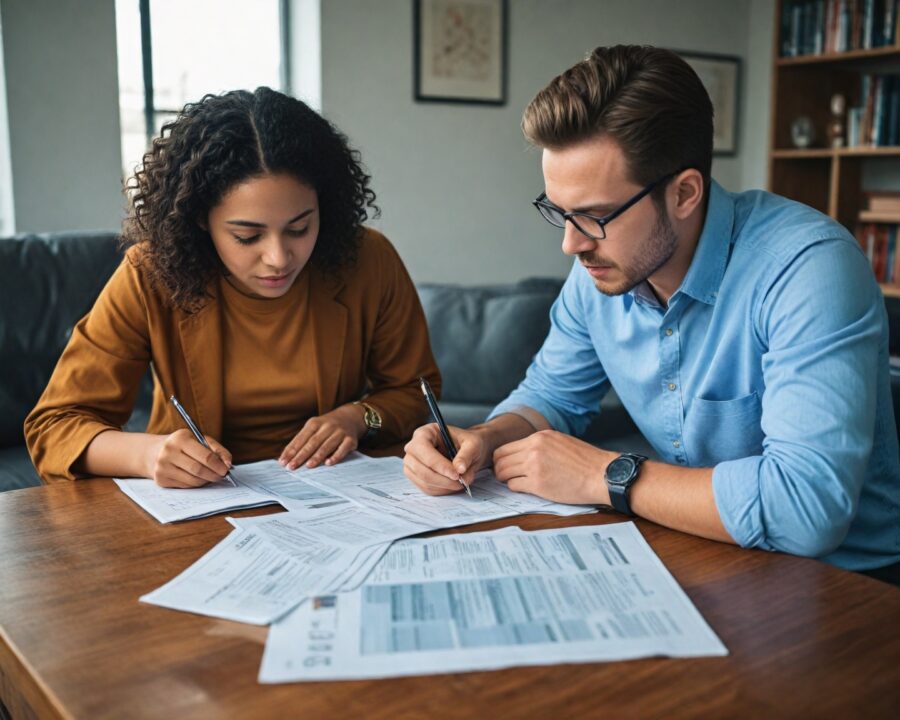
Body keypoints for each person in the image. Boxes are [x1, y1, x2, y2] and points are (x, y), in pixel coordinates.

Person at [403, 45, 900, 582]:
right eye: (560, 212)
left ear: (684, 193)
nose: (570, 244)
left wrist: (607, 475)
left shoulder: (808, 269)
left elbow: (808, 511)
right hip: (701, 552)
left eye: (594, 216)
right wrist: (485, 438)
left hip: (846, 584)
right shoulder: (600, 268)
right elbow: (550, 397)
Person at [26, 87, 440, 488]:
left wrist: (358, 416)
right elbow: (56, 426)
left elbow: (414, 392)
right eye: (247, 236)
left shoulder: (367, 259)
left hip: (337, 497)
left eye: (300, 228)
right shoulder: (150, 274)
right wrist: (149, 455)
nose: (279, 257)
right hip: (201, 506)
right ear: (201, 219)